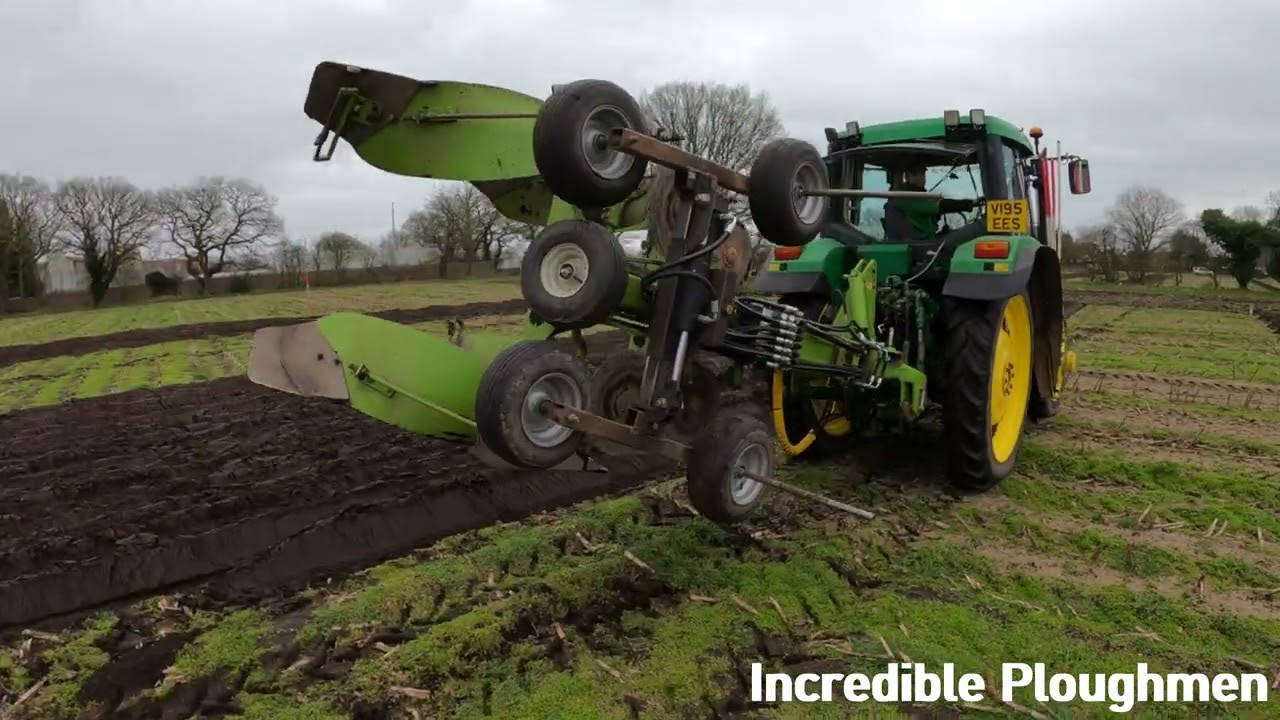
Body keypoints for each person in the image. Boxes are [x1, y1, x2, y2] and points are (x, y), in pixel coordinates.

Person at [883, 164, 979, 240]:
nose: (924, 178)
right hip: (924, 243)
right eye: (922, 174)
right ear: (909, 176)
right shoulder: (907, 197)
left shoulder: (914, 195)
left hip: (929, 239)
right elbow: (939, 206)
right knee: (976, 232)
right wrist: (970, 203)